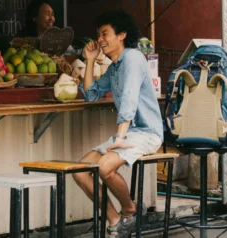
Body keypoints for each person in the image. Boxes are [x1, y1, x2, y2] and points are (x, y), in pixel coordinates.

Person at [72, 10, 163, 237]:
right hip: (128, 132)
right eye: (98, 34)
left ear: (121, 35)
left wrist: (120, 137)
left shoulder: (133, 57)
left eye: (105, 34)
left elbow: (130, 98)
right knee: (80, 172)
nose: (100, 39)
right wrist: (91, 60)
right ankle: (115, 220)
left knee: (104, 167)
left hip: (147, 133)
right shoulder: (114, 68)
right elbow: (91, 95)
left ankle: (130, 210)